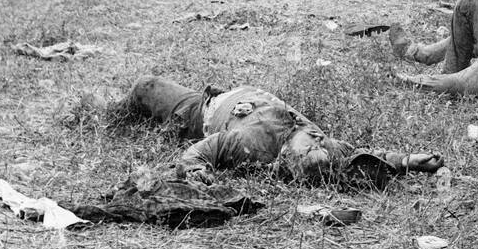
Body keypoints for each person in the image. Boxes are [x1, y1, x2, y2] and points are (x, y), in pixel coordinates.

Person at [122, 75, 443, 184]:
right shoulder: (321, 146)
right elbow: (364, 155)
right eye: (316, 144)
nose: (317, 145)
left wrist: (195, 171)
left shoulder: (252, 143)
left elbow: (198, 152)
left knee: (145, 87)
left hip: (203, 110)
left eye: (311, 151)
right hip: (242, 95)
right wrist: (408, 161)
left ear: (288, 155)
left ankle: (117, 109)